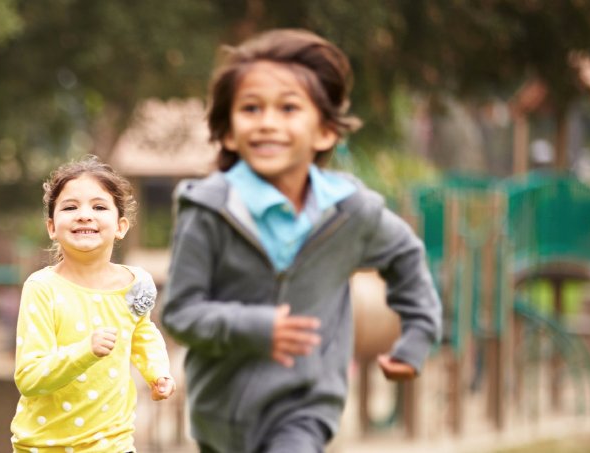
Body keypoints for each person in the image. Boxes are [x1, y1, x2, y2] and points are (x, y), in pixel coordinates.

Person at [160, 29, 443, 452]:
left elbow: (406, 256)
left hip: (306, 408)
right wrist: (258, 327)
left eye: (288, 108)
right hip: (219, 417)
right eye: (251, 108)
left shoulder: (351, 212)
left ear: (325, 132)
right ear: (231, 133)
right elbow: (180, 313)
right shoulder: (209, 211)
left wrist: (416, 337)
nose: (268, 122)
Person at [10, 156, 175, 452]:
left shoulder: (137, 285)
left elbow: (143, 333)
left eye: (99, 207)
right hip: (46, 445)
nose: (85, 215)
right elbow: (29, 378)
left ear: (121, 226)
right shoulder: (42, 288)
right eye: (70, 207)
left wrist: (158, 371)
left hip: (114, 443)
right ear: (51, 226)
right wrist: (85, 351)